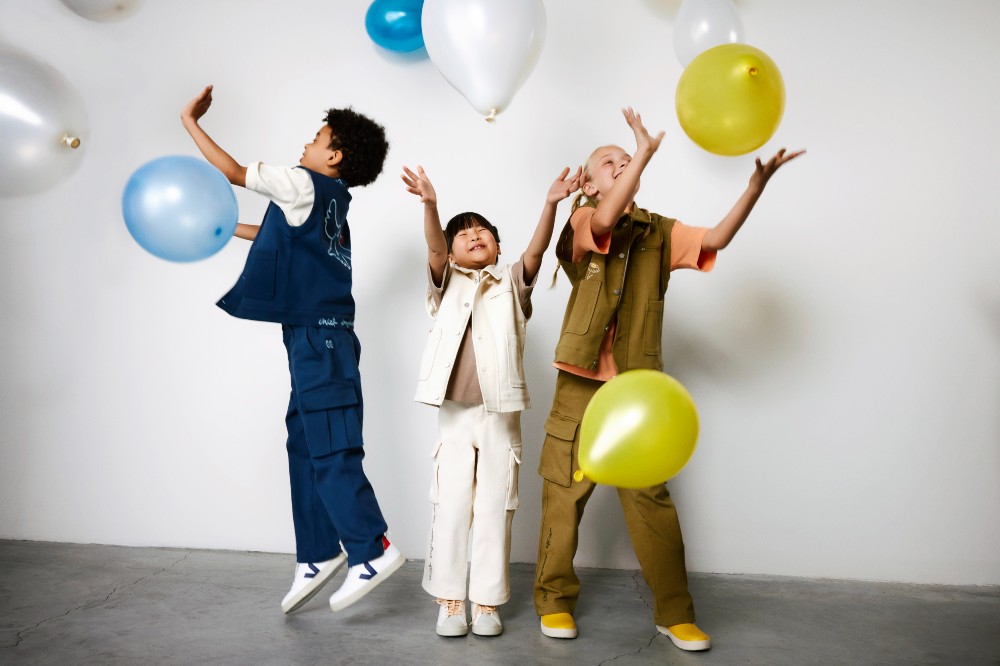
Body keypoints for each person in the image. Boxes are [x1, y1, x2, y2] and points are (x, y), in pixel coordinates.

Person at [533, 108, 804, 651]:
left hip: (638, 390)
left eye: (626, 159)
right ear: (586, 183)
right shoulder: (582, 222)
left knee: (650, 497)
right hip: (581, 384)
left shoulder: (659, 232)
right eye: (608, 162)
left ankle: (674, 613)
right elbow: (607, 221)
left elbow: (717, 237)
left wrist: (754, 188)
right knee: (565, 494)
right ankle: (555, 600)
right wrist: (643, 151)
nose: (621, 163)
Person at [181, 85, 404, 615]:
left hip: (318, 337)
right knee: (304, 442)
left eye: (317, 137)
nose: (306, 144)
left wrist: (189, 122)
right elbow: (280, 235)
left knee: (329, 446)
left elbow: (235, 172)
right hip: (319, 336)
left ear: (334, 156)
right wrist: (223, 229)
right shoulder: (328, 202)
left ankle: (371, 550)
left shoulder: (303, 182)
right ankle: (318, 553)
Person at [401, 164, 581, 637]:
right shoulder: (446, 281)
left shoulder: (511, 284)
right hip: (455, 415)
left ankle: (485, 602)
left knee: (496, 505)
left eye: (482, 231)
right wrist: (431, 205)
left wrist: (551, 203)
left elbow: (537, 250)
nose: (473, 235)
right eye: (463, 234)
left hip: (501, 415)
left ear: (498, 247)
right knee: (453, 503)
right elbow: (435, 247)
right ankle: (449, 599)